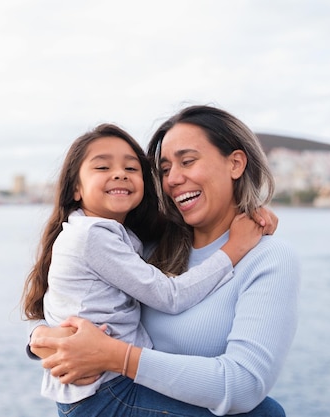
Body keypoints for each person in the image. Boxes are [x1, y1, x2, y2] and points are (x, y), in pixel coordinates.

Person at [29, 105, 300, 416]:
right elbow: (71, 300)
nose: (173, 179)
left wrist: (114, 356)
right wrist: (43, 337)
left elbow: (244, 386)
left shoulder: (268, 259)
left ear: (235, 163)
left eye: (187, 162)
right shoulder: (148, 247)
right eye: (165, 169)